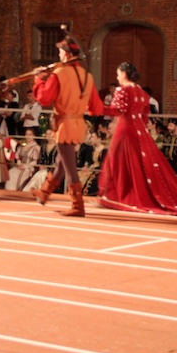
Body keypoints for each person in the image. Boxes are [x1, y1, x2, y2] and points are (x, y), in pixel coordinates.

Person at [97, 62, 177, 216]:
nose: (117, 76)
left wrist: (95, 106)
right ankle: (127, 196)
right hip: (139, 130)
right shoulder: (141, 93)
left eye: (118, 73)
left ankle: (117, 196)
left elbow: (116, 110)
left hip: (125, 129)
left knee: (118, 161)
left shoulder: (123, 90)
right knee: (138, 163)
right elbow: (145, 115)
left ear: (125, 74)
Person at [30, 34, 104, 217]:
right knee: (61, 162)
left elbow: (44, 98)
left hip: (65, 124)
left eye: (60, 52)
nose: (59, 55)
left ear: (66, 54)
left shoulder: (60, 73)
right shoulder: (87, 76)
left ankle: (77, 205)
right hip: (78, 123)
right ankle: (45, 192)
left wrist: (39, 80)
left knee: (69, 166)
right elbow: (96, 108)